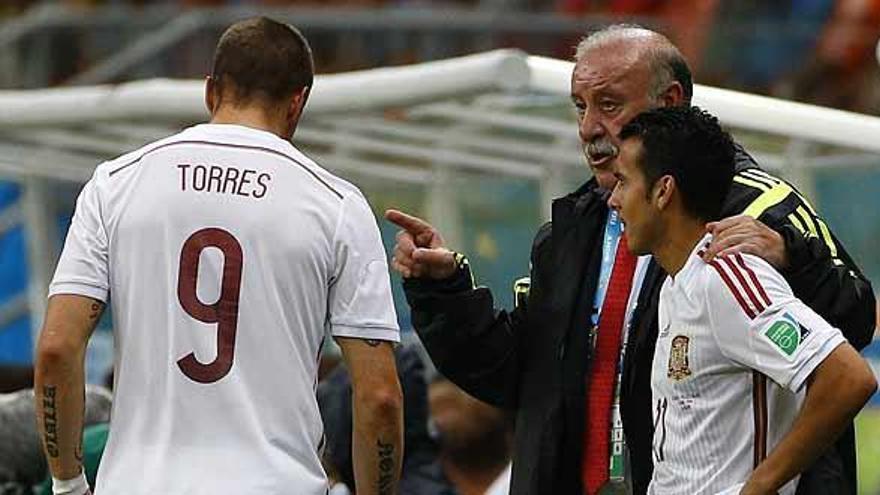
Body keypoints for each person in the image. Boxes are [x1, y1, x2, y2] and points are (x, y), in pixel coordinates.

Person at [386, 24, 875, 495]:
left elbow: (850, 336)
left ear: (670, 105)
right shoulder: (572, 228)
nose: (588, 128)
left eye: (609, 105)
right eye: (579, 106)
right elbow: (521, 374)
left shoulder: (757, 212)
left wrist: (796, 256)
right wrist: (444, 290)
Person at [33, 17, 403, 495]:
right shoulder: (336, 207)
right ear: (298, 104)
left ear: (211, 91)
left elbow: (57, 349)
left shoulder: (116, 184)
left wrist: (67, 483)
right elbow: (380, 398)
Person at [607, 105, 876, 495]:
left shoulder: (727, 278)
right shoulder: (675, 283)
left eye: (623, 182)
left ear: (663, 191)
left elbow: (849, 377)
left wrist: (758, 486)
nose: (613, 200)